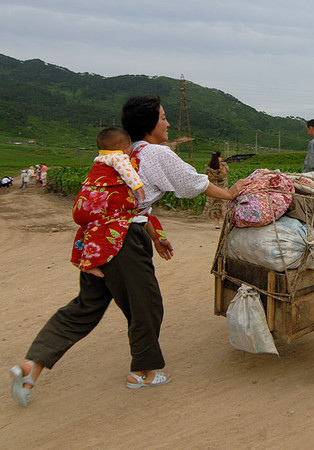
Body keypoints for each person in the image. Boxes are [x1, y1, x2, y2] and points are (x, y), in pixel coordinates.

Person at [9, 94, 250, 407]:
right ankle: (143, 372)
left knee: (85, 307)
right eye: (163, 118)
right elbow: (193, 183)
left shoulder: (119, 155)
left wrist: (154, 235)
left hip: (97, 241)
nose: (167, 123)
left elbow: (134, 204)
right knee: (146, 305)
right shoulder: (155, 153)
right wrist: (230, 194)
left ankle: (32, 366)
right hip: (123, 242)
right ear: (150, 126)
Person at [71, 127, 146, 279]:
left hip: (82, 205)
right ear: (126, 148)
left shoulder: (99, 160)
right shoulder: (119, 158)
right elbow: (127, 171)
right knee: (103, 230)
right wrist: (138, 187)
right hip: (96, 209)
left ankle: (78, 258)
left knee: (87, 230)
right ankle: (91, 263)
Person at [203, 151, 229, 229]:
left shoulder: (208, 167)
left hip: (213, 189)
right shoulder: (224, 166)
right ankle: (226, 222)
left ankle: (217, 224)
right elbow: (225, 173)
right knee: (224, 206)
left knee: (215, 206)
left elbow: (206, 176)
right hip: (223, 188)